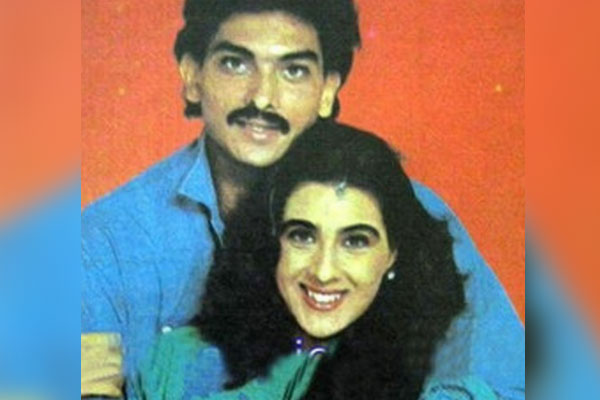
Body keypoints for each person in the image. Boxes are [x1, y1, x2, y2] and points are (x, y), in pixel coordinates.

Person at [82, 0, 524, 399]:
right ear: (192, 76)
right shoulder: (105, 239)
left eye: (293, 70)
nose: (262, 98)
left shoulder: (410, 212)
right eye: (235, 63)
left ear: (328, 89)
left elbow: (508, 382)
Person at [135, 122, 505, 399]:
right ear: (272, 240)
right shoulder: (174, 362)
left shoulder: (446, 377)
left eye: (355, 241)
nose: (323, 271)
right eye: (302, 236)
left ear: (393, 254)